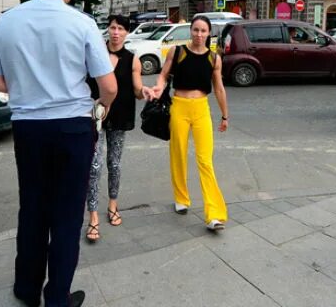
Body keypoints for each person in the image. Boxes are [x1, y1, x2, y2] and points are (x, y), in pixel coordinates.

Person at [0, 0, 117, 307]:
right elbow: (110, 87)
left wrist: (29, 87)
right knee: (68, 214)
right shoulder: (82, 23)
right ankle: (57, 297)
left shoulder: (6, 21)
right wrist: (102, 108)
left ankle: (26, 290)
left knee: (33, 209)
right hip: (72, 127)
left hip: (28, 129)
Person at [144, 15, 229, 231]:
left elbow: (218, 88)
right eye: (196, 30)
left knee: (205, 160)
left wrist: (225, 116)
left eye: (203, 31)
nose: (199, 34)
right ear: (190, 31)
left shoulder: (214, 58)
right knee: (178, 153)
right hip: (179, 107)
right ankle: (181, 198)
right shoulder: (177, 51)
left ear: (209, 33)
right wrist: (158, 87)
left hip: (201, 109)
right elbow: (163, 75)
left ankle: (214, 214)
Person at [85, 15, 149, 242]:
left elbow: (137, 89)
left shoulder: (133, 60)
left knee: (114, 163)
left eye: (120, 28)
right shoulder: (94, 54)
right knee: (94, 165)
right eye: (112, 27)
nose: (115, 32)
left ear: (126, 32)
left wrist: (146, 93)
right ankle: (93, 215)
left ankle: (113, 204)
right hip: (95, 116)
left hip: (120, 117)